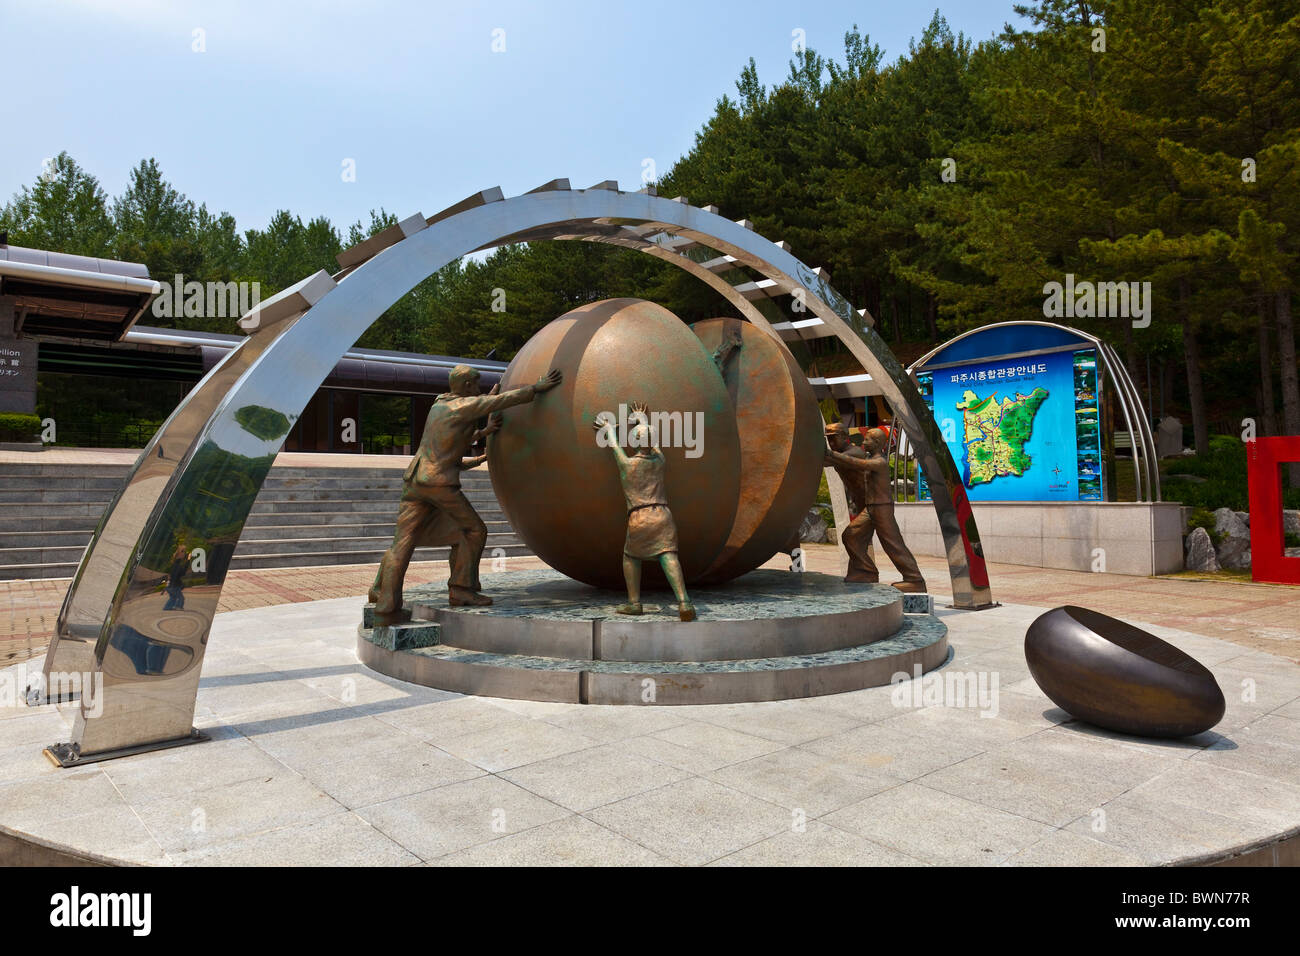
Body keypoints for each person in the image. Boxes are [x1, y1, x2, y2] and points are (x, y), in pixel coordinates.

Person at [369, 364, 562, 622]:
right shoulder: (463, 406)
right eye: (476, 385)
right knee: (475, 531)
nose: (479, 389)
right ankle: (461, 590)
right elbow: (502, 401)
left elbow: (449, 440)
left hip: (415, 480)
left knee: (402, 543)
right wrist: (536, 389)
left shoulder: (440, 405)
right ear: (468, 386)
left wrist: (483, 434)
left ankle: (383, 600)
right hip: (439, 484)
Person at [592, 402, 696, 622]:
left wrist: (609, 428)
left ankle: (634, 603)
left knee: (630, 557)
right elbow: (656, 444)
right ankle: (684, 602)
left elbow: (614, 446)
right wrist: (643, 420)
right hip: (664, 515)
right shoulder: (659, 462)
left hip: (640, 517)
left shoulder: (628, 466)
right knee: (669, 555)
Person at [823, 423, 927, 592]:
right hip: (871, 509)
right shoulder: (871, 459)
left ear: (878, 443)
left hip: (881, 508)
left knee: (892, 544)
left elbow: (857, 463)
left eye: (868, 439)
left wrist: (830, 454)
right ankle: (865, 571)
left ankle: (914, 580)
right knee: (851, 536)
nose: (863, 441)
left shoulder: (879, 462)